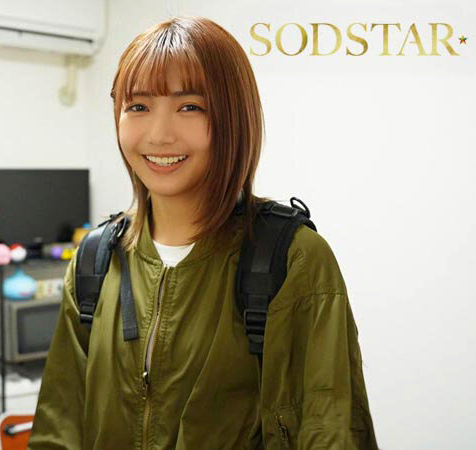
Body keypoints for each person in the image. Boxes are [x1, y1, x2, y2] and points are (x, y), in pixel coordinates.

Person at [28, 16, 377, 449]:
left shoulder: (292, 259)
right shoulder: (95, 260)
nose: (159, 135)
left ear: (234, 118)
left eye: (190, 107)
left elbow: (331, 430)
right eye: (138, 107)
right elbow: (58, 428)